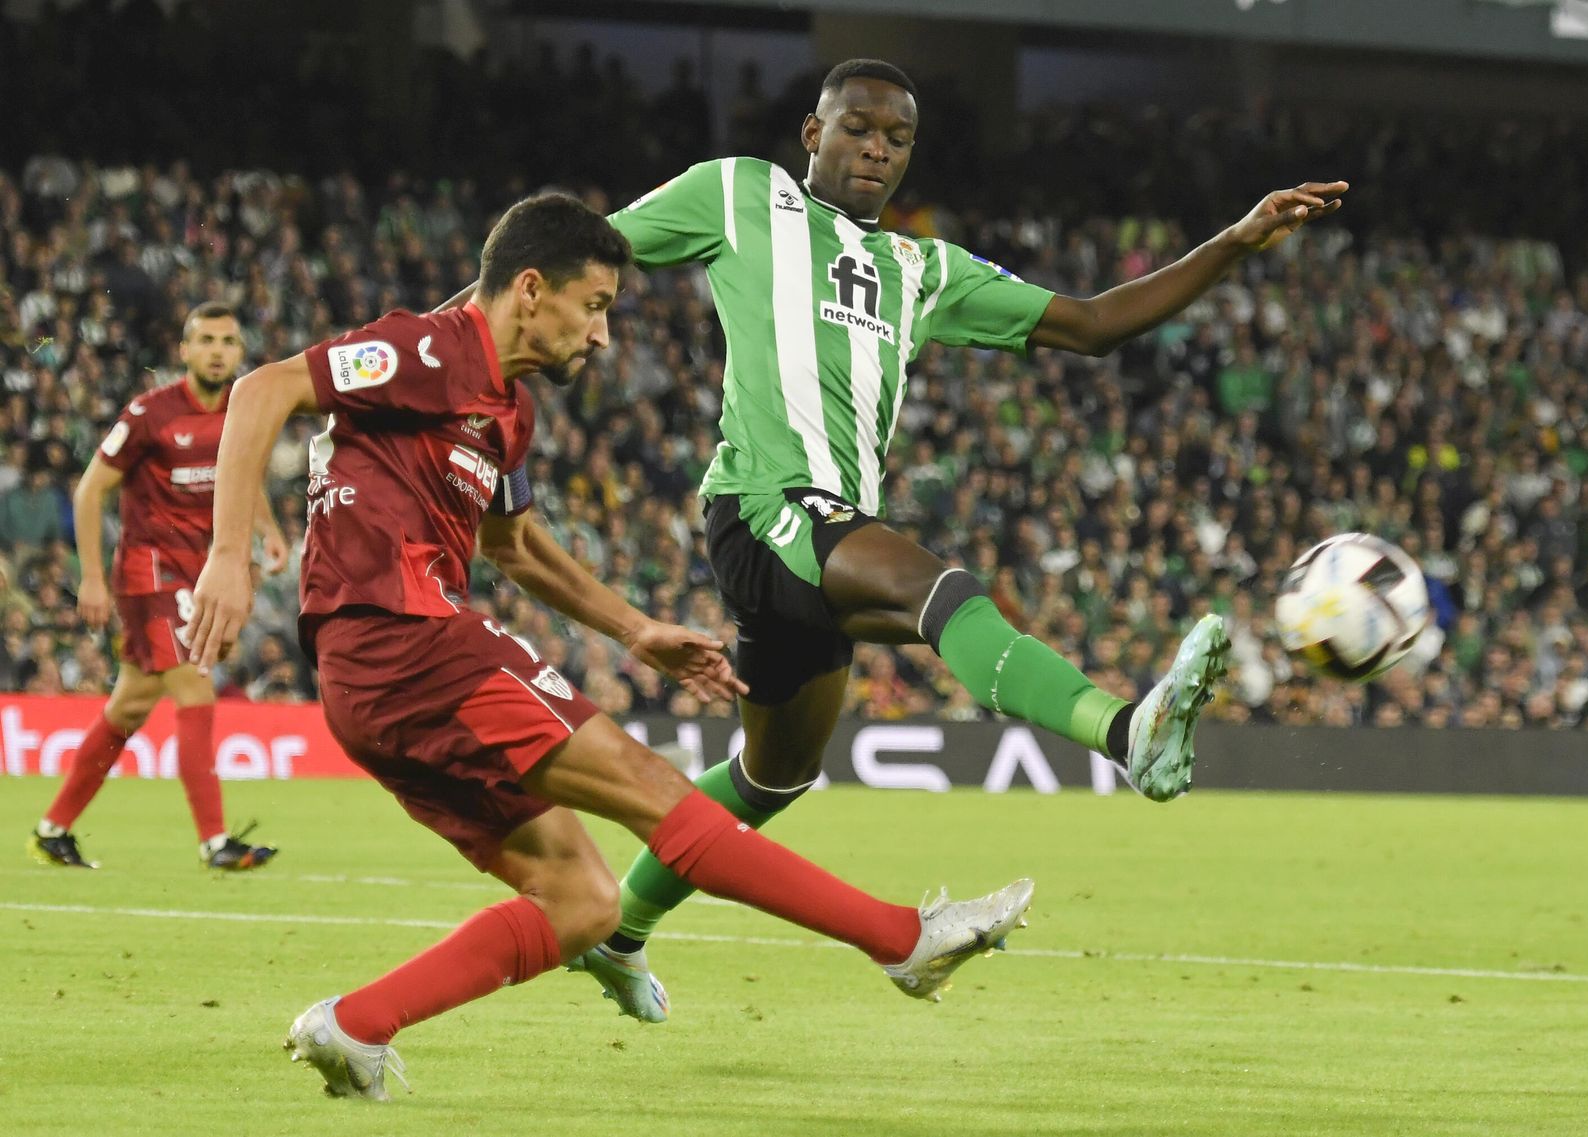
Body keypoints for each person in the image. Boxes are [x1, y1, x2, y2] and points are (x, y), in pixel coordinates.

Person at [462, 58, 1345, 1021]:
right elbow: (582, 252)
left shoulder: (924, 269)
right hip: (765, 506)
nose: (876, 148)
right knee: (943, 593)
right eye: (857, 129)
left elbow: (1092, 325)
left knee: (772, 774)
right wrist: (452, 352)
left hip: (825, 529)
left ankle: (619, 932)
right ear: (813, 133)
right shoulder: (737, 195)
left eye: (896, 137)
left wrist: (1236, 240)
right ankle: (1125, 732)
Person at [183, 193, 1033, 1101]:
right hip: (407, 640)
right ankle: (903, 938)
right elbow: (262, 388)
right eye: (594, 307)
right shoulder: (431, 348)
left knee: (584, 904)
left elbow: (513, 547)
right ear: (531, 289)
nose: (601, 336)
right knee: (656, 795)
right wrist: (228, 559)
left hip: (379, 683)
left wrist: (638, 630)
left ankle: (353, 1026)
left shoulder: (507, 410)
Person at [27, 303, 287, 871]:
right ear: (185, 350)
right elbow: (90, 491)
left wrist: (267, 530)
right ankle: (216, 842)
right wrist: (92, 578)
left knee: (131, 705)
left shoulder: (240, 414)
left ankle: (53, 828)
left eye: (228, 341)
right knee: (196, 687)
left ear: (240, 352)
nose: (218, 350)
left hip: (198, 573)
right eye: (207, 340)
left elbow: (243, 478)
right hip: (149, 572)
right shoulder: (150, 413)